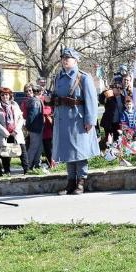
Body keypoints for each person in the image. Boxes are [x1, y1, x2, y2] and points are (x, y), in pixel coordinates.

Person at [51, 47, 101, 195]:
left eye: (69, 57)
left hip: (78, 120)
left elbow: (92, 101)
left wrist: (90, 120)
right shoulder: (58, 77)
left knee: (80, 151)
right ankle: (70, 182)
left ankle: (81, 181)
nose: (65, 60)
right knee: (68, 152)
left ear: (76, 60)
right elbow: (55, 96)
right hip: (63, 119)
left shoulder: (83, 77)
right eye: (63, 58)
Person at [0, 87, 28, 176]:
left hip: (16, 133)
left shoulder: (15, 105)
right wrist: (6, 133)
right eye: (2, 95)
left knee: (23, 152)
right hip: (4, 134)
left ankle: (27, 170)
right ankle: (7, 171)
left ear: (9, 95)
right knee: (6, 153)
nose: (5, 96)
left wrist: (16, 131)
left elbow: (21, 118)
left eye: (6, 94)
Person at [23, 84, 45, 171]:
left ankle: (36, 165)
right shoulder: (35, 101)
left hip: (37, 127)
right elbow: (31, 116)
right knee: (34, 147)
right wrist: (28, 127)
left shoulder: (34, 100)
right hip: (35, 128)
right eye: (41, 91)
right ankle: (28, 167)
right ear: (39, 92)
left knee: (39, 147)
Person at [99, 77, 124, 148]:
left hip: (118, 123)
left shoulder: (123, 98)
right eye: (117, 87)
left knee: (117, 139)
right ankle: (108, 153)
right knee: (109, 140)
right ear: (113, 88)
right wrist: (105, 91)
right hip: (109, 122)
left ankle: (116, 153)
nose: (119, 89)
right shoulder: (109, 97)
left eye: (120, 88)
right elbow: (101, 100)